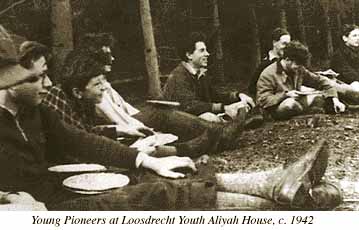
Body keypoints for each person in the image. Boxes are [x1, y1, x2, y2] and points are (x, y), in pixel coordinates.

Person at [0, 26, 341, 211]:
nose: (47, 83)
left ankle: (272, 182)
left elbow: (82, 140)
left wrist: (144, 159)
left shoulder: (35, 110)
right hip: (50, 208)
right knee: (154, 195)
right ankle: (287, 206)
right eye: (35, 78)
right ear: (9, 84)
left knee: (171, 170)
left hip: (57, 194)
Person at [163, 32, 261, 125]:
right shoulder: (179, 76)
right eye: (202, 50)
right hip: (179, 123)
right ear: (189, 55)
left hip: (196, 118)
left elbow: (214, 95)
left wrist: (237, 96)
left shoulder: (200, 74)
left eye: (206, 50)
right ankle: (232, 123)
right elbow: (189, 106)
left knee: (241, 105)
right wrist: (224, 108)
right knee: (210, 118)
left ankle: (233, 121)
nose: (207, 54)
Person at [256, 41, 346, 120]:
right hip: (277, 109)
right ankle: (307, 113)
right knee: (289, 104)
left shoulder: (299, 70)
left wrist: (335, 100)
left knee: (318, 97)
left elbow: (321, 81)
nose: (299, 67)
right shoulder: (268, 74)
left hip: (297, 103)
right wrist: (285, 95)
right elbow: (263, 100)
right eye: (297, 64)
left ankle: (307, 113)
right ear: (287, 60)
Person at [248, 28, 291, 97]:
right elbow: (252, 88)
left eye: (289, 45)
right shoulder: (265, 64)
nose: (287, 48)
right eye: (284, 44)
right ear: (274, 43)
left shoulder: (289, 62)